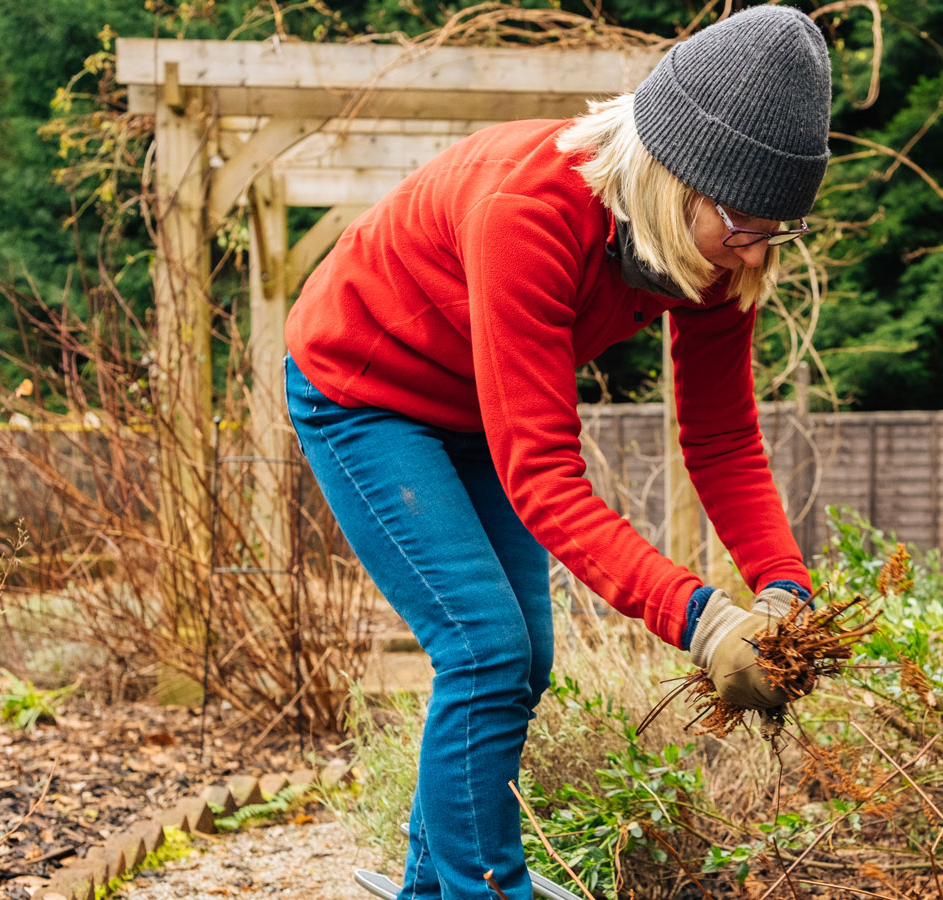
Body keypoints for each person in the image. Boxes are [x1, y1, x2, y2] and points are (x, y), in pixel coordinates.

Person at [282, 6, 832, 899]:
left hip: (473, 406)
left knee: (526, 654)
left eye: (777, 229)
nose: (754, 250)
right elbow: (542, 476)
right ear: (675, 178)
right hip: (365, 389)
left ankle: (437, 882)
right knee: (484, 648)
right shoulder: (528, 211)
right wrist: (702, 621)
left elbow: (723, 437)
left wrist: (782, 591)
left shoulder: (718, 250)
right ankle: (480, 890)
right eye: (743, 224)